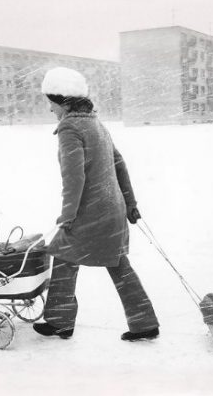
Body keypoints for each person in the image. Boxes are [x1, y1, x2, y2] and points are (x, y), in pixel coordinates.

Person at [33, 67, 160, 341]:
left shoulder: (70, 128)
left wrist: (68, 215)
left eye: (51, 103)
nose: (50, 109)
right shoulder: (96, 124)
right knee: (114, 265)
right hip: (110, 210)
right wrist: (130, 203)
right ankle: (144, 322)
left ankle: (59, 321)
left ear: (64, 101)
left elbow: (74, 177)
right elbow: (119, 164)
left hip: (90, 214)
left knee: (65, 256)